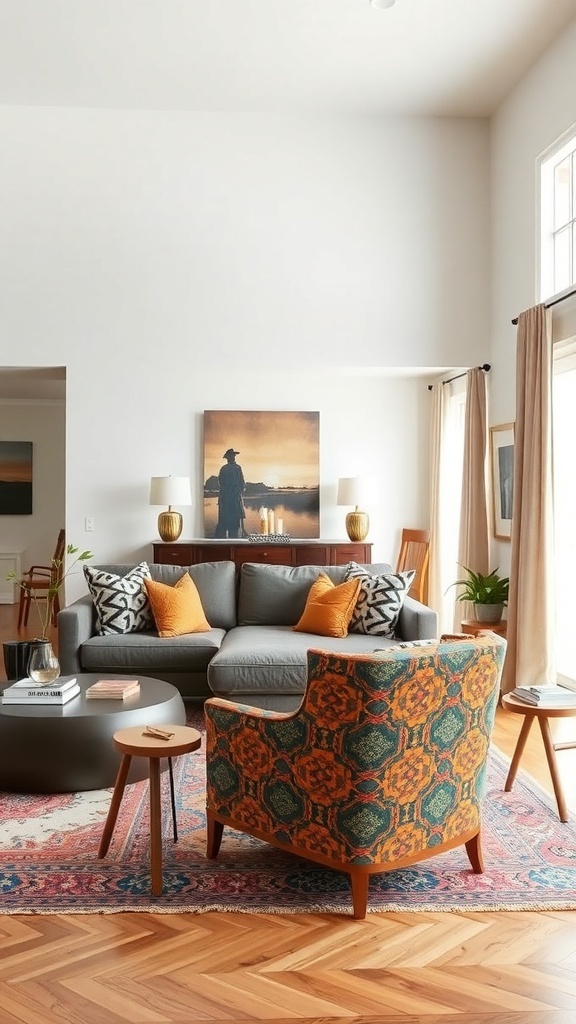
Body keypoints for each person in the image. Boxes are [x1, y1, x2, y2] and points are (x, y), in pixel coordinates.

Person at [215, 448, 246, 538]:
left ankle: (228, 536)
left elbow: (220, 482)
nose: (232, 457)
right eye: (231, 456)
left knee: (227, 519)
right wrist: (239, 491)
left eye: (233, 456)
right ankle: (232, 537)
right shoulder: (236, 468)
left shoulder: (226, 468)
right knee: (232, 519)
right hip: (231, 497)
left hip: (227, 496)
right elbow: (242, 483)